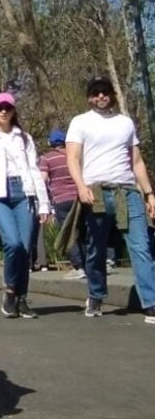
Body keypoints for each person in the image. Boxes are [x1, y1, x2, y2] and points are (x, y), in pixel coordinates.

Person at [65, 76, 155, 322]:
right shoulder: (80, 122)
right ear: (89, 97)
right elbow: (72, 158)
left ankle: (151, 303)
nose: (101, 97)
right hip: (96, 192)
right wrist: (81, 186)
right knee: (96, 249)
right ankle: (95, 294)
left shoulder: (125, 123)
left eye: (105, 92)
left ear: (112, 95)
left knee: (141, 247)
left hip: (127, 191)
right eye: (95, 93)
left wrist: (149, 193)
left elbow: (136, 161)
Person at [0, 93, 50, 319]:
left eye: (8, 108)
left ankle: (21, 299)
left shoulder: (24, 138)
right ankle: (10, 290)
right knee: (12, 243)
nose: (4, 112)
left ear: (13, 111)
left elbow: (34, 170)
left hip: (24, 193)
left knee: (25, 247)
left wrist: (44, 204)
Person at [38, 128, 85, 278]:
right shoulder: (75, 156)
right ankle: (90, 263)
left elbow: (42, 180)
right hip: (80, 197)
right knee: (82, 231)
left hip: (61, 199)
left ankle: (78, 267)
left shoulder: (47, 159)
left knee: (67, 232)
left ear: (50, 143)